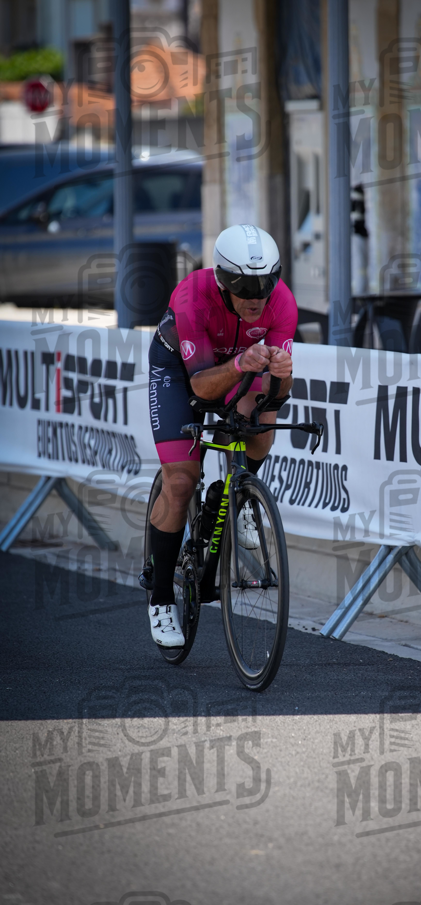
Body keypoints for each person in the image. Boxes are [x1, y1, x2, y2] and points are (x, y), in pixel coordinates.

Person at [146, 224, 296, 647]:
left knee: (262, 411)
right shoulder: (193, 297)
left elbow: (277, 396)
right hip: (181, 371)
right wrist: (241, 365)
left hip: (235, 364)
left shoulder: (281, 303)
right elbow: (200, 389)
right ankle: (160, 601)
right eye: (244, 287)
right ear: (222, 281)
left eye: (265, 285)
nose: (256, 298)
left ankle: (242, 492)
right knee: (180, 482)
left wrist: (284, 376)